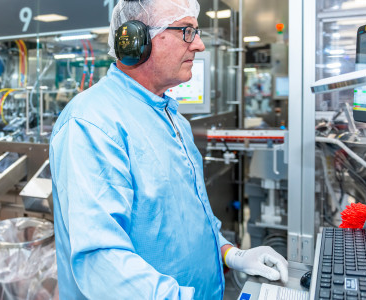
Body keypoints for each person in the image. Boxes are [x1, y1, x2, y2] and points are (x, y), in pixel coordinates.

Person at [49, 0, 288, 298]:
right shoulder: (91, 124)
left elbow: (191, 218)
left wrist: (231, 254)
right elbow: (102, 263)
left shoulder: (173, 117)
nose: (199, 45)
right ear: (136, 40)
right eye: (187, 31)